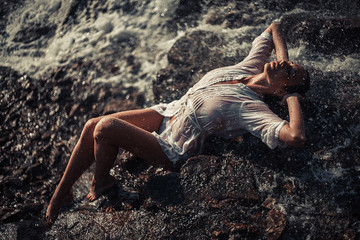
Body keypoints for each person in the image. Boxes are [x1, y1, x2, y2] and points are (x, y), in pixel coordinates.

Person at [45, 22, 310, 223]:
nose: (284, 65)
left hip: (174, 147)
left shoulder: (251, 107)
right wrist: (283, 59)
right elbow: (274, 26)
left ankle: (102, 183)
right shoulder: (250, 67)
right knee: (93, 123)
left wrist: (291, 97)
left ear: (280, 91)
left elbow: (296, 136)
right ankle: (61, 195)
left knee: (105, 129)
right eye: (289, 63)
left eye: (289, 72)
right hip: (169, 113)